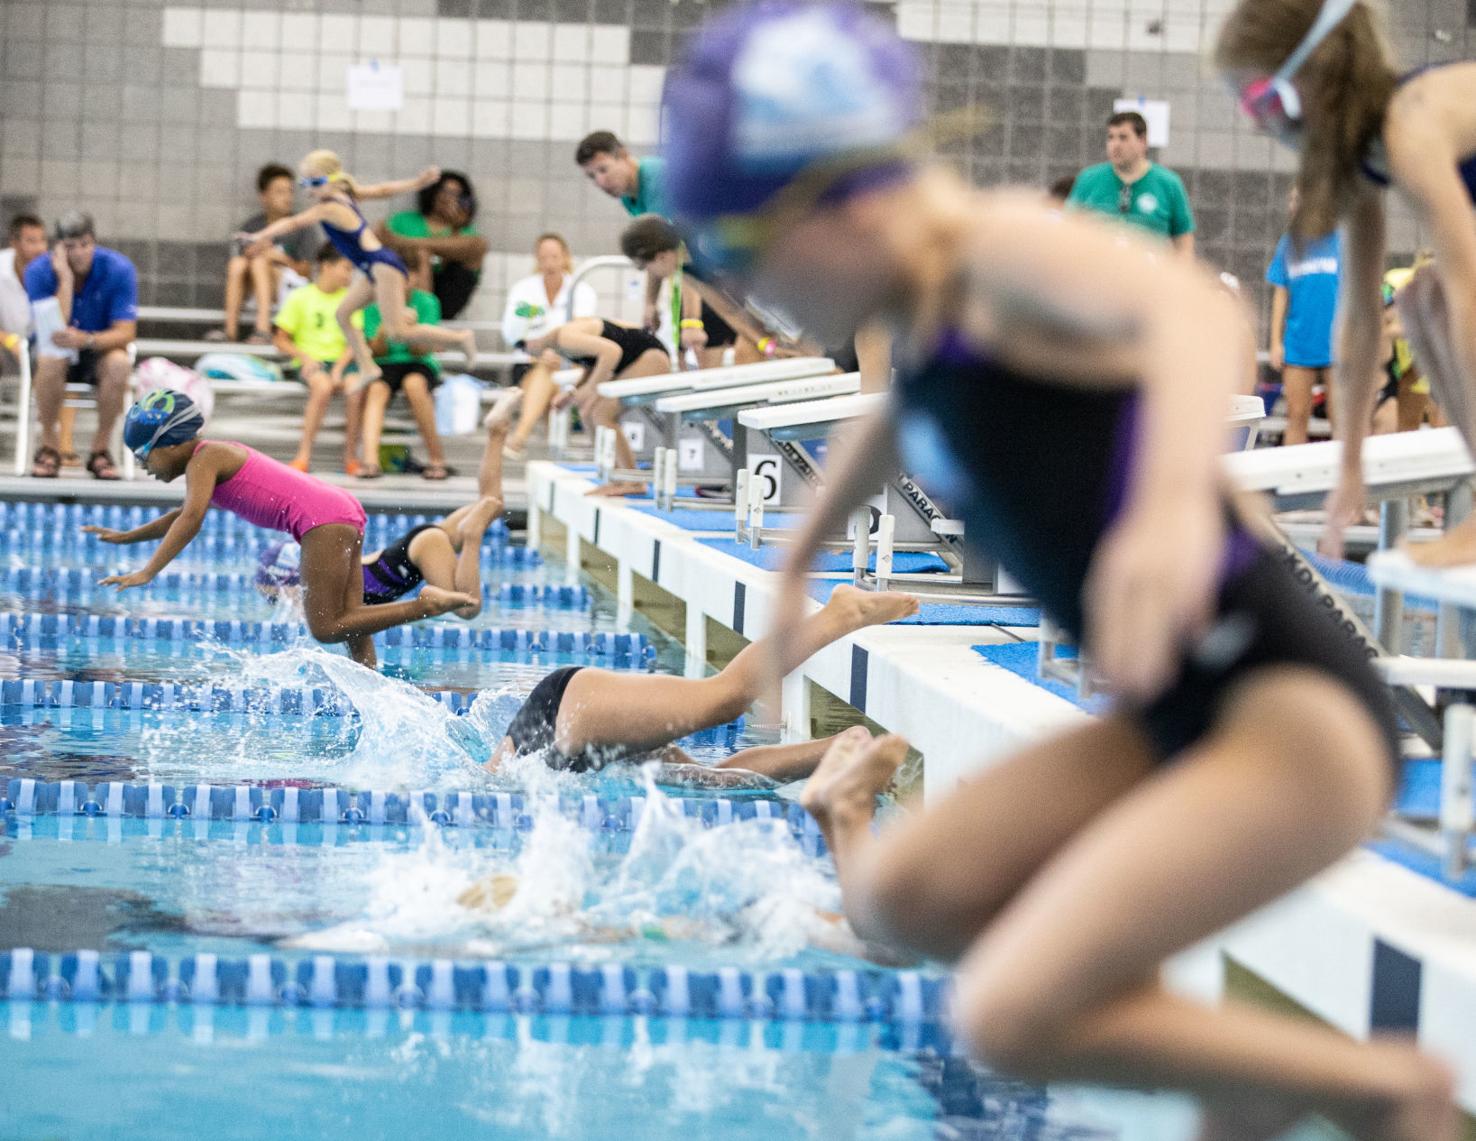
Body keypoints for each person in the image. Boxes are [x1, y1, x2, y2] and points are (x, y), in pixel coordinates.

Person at [663, 4, 1456, 1137]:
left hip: (1287, 709)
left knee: (1009, 1014)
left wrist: (1167, 508)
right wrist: (795, 559)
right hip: (1179, 713)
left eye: (742, 252)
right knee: (904, 895)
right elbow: (897, 419)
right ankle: (1243, 1084)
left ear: (844, 202)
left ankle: (1388, 1092)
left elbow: (1193, 313)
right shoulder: (923, 318)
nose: (743, 289)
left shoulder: (994, 248)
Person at [1216, 0, 1476, 567]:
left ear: (1316, 75)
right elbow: (1358, 324)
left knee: (1442, 297)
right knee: (1420, 298)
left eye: (1261, 99)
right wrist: (1351, 467)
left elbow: (1469, 287)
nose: (1258, 123)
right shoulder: (1368, 155)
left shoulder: (1412, 125)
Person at [84, 390, 475, 668]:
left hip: (322, 522)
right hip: (341, 509)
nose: (144, 467)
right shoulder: (212, 459)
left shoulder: (205, 459)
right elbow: (180, 515)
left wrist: (148, 571)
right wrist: (127, 537)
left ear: (169, 443)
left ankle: (424, 605)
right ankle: (371, 684)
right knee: (353, 617)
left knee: (326, 627)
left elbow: (191, 520)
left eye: (143, 455)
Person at [484, 585, 918, 776]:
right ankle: (845, 748)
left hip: (565, 714)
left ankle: (840, 613)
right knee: (712, 781)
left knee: (725, 699)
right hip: (579, 752)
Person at [256, 388, 523, 619]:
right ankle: (496, 431)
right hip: (414, 547)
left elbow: (317, 619)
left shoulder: (328, 591)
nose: (281, 602)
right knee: (492, 503)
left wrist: (471, 539)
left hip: (421, 548)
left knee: (467, 608)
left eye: (277, 597)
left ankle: (472, 534)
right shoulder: (338, 578)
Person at [239, 152, 477, 390]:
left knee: (398, 332)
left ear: (331, 179)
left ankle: (460, 338)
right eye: (305, 183)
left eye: (315, 182)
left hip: (382, 265)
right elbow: (383, 190)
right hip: (371, 267)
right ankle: (367, 367)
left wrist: (259, 235)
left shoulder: (330, 207)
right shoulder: (346, 194)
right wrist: (417, 183)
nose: (309, 189)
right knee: (343, 314)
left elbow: (293, 222)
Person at [24, 212, 137, 480]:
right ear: (59, 248)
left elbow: (126, 333)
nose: (78, 253)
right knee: (50, 359)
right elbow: (55, 328)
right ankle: (50, 447)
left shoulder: (119, 269)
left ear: (94, 242)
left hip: (97, 348)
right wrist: (65, 279)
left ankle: (100, 450)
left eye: (84, 245)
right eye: (70, 246)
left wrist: (86, 339)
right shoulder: (39, 271)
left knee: (119, 363)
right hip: (54, 350)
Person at [525, 316, 669, 496]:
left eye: (523, 346)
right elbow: (592, 364)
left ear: (532, 340)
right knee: (587, 412)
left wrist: (589, 389)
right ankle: (617, 478)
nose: (527, 352)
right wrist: (572, 392)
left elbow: (612, 352)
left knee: (601, 413)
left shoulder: (564, 337)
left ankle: (633, 481)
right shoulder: (559, 341)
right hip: (637, 358)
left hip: (651, 357)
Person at [499, 232, 599, 459]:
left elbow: (583, 331)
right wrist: (537, 354)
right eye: (543, 258)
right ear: (537, 259)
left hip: (571, 363)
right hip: (529, 362)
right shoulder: (523, 291)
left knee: (554, 374)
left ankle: (519, 437)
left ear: (565, 257)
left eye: (554, 257)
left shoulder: (581, 291)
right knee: (547, 372)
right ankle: (552, 448)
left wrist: (561, 356)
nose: (549, 264)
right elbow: (511, 333)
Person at [271, 246, 361, 474]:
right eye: (346, 268)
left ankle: (351, 457)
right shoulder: (300, 297)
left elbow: (355, 341)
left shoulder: (351, 300)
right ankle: (303, 455)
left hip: (342, 362)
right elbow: (280, 338)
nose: (349, 275)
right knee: (322, 386)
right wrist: (304, 357)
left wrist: (338, 369)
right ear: (327, 266)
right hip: (311, 363)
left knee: (355, 388)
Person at [357, 261, 450, 480]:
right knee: (376, 390)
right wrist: (384, 328)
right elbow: (376, 351)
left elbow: (423, 350)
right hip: (386, 361)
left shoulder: (427, 302)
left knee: (414, 385)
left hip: (418, 361)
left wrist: (411, 330)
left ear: (414, 278)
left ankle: (436, 459)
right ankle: (370, 461)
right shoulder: (373, 304)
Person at [620, 213, 750, 367]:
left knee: (708, 372)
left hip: (713, 309)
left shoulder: (691, 253)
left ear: (661, 257)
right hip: (709, 306)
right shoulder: (676, 249)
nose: (650, 273)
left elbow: (694, 282)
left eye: (643, 267)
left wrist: (692, 323)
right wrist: (650, 304)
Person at [1266, 185, 1341, 445]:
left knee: (1340, 416)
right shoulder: (1289, 243)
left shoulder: (1341, 239)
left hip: (1336, 342)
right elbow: (1280, 293)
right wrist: (1276, 342)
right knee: (1297, 415)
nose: (1293, 205)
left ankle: (1341, 469)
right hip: (1299, 341)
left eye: (1299, 199)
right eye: (1291, 199)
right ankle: (1293, 469)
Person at [211, 163, 316, 345]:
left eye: (290, 191)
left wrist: (278, 257)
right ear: (264, 196)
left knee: (260, 261)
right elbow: (242, 260)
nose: (287, 197)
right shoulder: (253, 226)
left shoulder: (301, 226)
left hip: (289, 290)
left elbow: (307, 273)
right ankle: (229, 331)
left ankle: (263, 329)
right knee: (237, 263)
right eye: (280, 192)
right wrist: (251, 254)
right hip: (255, 290)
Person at [1067, 111, 1196, 255]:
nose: (1115, 145)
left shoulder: (1169, 183)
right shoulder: (1088, 179)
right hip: (1097, 265)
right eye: (1111, 137)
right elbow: (1068, 229)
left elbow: (1183, 241)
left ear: (1142, 141)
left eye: (1123, 138)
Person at [377, 170, 488, 321]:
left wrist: (406, 243)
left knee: (476, 246)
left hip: (447, 295)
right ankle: (422, 313)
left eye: (457, 194)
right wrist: (421, 253)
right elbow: (379, 236)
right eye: (445, 191)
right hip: (405, 289)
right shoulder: (405, 220)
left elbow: (473, 249)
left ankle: (425, 312)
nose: (449, 198)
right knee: (420, 255)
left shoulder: (465, 233)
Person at [0, 214, 45, 368]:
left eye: (42, 240)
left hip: (42, 346)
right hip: (7, 344)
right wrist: (9, 341)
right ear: (14, 243)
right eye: (31, 241)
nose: (40, 248)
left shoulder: (54, 270)